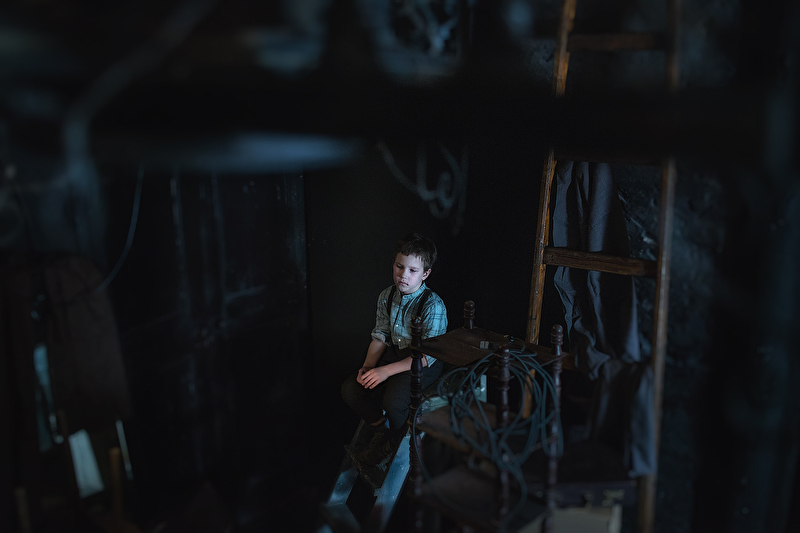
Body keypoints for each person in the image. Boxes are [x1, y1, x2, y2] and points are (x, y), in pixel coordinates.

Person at [341, 232, 448, 467]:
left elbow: (427, 356)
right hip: (397, 354)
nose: (403, 275)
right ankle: (384, 433)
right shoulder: (386, 296)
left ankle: (397, 443)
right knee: (352, 389)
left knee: (394, 402)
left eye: (412, 270)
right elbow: (380, 335)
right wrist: (369, 367)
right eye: (399, 266)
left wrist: (385, 372)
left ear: (425, 274)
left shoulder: (433, 305)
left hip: (424, 362)